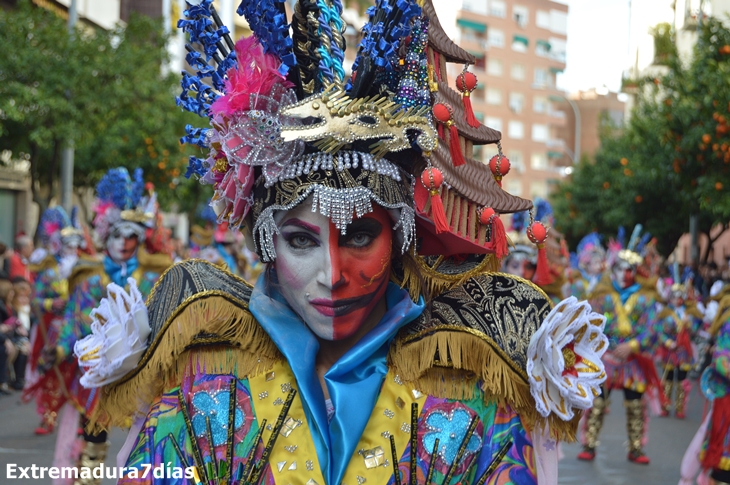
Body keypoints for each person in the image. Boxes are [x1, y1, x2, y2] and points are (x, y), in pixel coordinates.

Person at [75, 2, 608, 485]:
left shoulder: (468, 392)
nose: (332, 273)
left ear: (399, 238)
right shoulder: (205, 386)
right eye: (301, 240)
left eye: (358, 235)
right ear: (267, 243)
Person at [47, 168, 172, 484]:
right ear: (106, 236)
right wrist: (59, 348)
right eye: (117, 234)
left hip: (143, 377)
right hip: (99, 376)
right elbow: (75, 323)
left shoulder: (151, 280)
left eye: (131, 235)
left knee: (146, 443)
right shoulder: (90, 281)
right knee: (94, 439)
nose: (124, 242)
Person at [577, 226, 662, 464]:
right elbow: (592, 325)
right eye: (620, 268)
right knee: (597, 403)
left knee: (636, 405)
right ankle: (589, 444)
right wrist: (611, 344)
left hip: (633, 362)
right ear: (613, 270)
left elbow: (651, 329)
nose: (625, 273)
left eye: (630, 269)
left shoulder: (645, 299)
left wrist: (632, 346)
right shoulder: (602, 296)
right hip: (606, 359)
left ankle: (636, 448)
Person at [22, 206, 85, 435]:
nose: (72, 250)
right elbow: (35, 299)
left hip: (81, 330)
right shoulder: (49, 272)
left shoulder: (86, 271)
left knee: (82, 374)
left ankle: (82, 421)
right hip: (55, 331)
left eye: (76, 246)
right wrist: (52, 304)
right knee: (51, 373)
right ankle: (48, 417)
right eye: (68, 245)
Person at [655, 266, 702, 419]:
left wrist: (689, 324)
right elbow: (659, 331)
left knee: (682, 379)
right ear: (670, 298)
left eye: (680, 296)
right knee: (668, 378)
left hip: (684, 350)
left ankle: (680, 407)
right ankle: (665, 405)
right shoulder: (665, 313)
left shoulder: (689, 313)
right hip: (670, 350)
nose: (678, 299)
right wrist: (668, 343)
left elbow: (696, 329)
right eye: (675, 297)